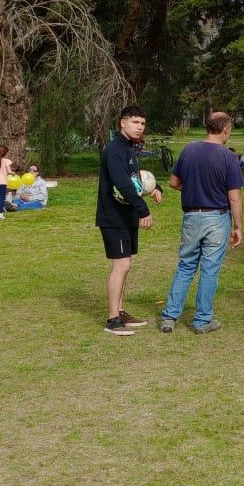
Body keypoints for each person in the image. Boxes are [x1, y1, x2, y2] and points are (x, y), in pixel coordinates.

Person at [158, 112, 243, 334]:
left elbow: (173, 182)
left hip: (191, 217)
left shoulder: (189, 149)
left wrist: (193, 189)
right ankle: (202, 319)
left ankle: (170, 316)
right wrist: (238, 227)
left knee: (185, 266)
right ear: (225, 129)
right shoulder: (228, 157)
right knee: (209, 269)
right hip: (216, 217)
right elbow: (234, 196)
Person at [96, 105, 163, 336]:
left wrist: (155, 187)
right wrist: (143, 210)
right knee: (121, 265)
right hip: (113, 216)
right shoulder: (115, 149)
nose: (139, 127)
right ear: (122, 123)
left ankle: (121, 311)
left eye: (142, 124)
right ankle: (113, 319)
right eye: (135, 122)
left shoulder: (129, 148)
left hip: (126, 216)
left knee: (126, 266)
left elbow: (136, 178)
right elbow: (122, 184)